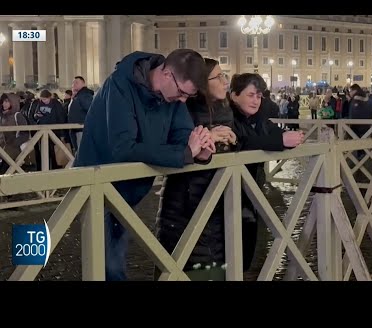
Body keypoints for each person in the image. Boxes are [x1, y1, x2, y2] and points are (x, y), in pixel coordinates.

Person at [74, 49, 215, 281]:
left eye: (188, 97)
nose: (182, 101)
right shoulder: (119, 86)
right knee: (109, 267)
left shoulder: (173, 94)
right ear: (167, 74)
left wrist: (201, 151)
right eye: (182, 93)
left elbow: (182, 136)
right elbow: (124, 148)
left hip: (128, 192)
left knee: (112, 262)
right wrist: (186, 152)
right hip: (96, 188)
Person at [155, 58, 236, 281]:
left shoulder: (225, 111)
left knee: (213, 266)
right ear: (202, 85)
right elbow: (172, 145)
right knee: (182, 265)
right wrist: (206, 137)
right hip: (185, 204)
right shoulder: (182, 112)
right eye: (218, 77)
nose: (225, 82)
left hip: (216, 204)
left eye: (224, 76)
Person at [229, 73, 304, 271]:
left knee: (246, 250)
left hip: (249, 192)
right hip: (227, 196)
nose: (255, 101)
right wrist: (280, 141)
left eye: (259, 96)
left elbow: (271, 131)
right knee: (232, 253)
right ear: (234, 95)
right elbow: (240, 143)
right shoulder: (227, 116)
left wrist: (289, 138)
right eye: (251, 95)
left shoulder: (257, 117)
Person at [67, 76, 94, 153]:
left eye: (76, 82)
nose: (73, 84)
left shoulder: (84, 95)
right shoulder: (78, 96)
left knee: (82, 153)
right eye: (73, 83)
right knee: (78, 152)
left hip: (81, 130)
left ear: (83, 84)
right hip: (75, 130)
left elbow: (91, 110)